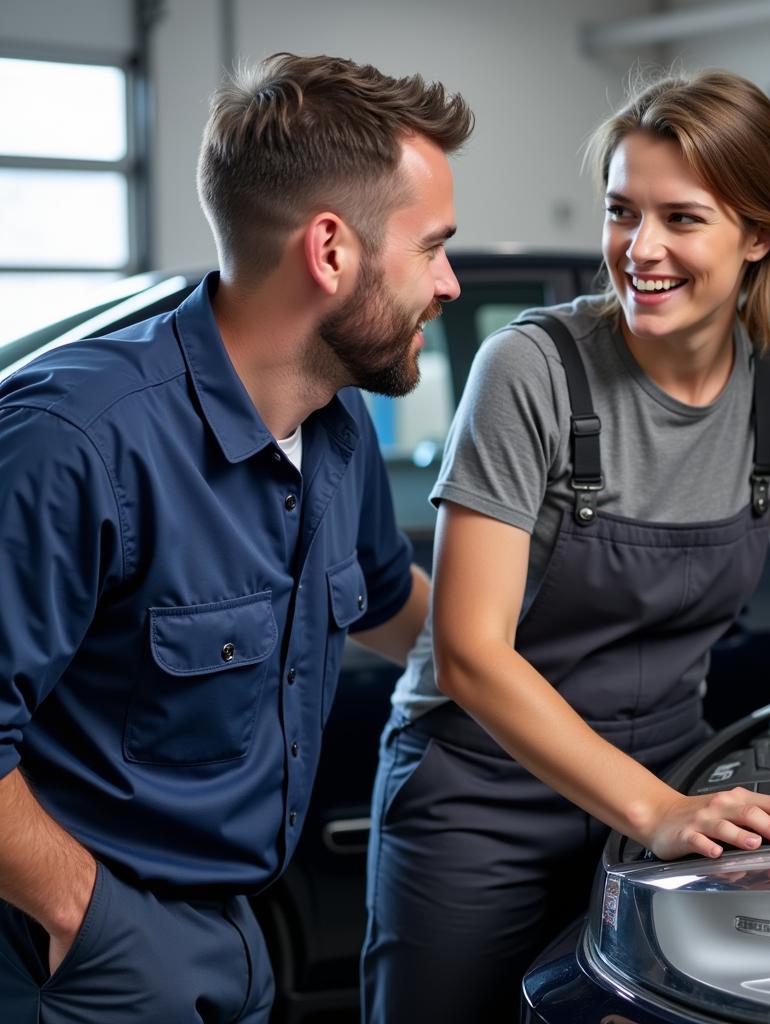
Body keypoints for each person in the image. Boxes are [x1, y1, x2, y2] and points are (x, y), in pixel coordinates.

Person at [361, 69, 770, 1024]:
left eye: (682, 218)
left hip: (676, 774)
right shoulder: (531, 370)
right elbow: (468, 651)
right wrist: (656, 813)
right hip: (481, 800)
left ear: (758, 235)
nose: (641, 249)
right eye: (623, 212)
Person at [0, 52, 472, 1022]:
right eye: (430, 247)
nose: (451, 283)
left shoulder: (335, 433)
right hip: (76, 959)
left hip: (238, 933)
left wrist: (557, 678)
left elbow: (392, 607)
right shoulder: (75, 443)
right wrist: (88, 919)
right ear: (330, 250)